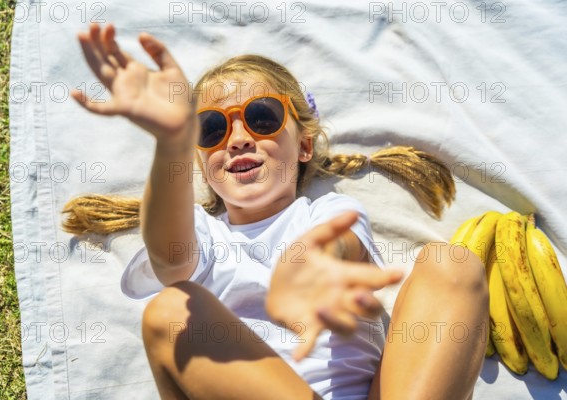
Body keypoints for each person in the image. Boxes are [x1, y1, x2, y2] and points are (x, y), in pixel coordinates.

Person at [63, 23, 489, 400]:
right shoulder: (202, 235)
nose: (238, 138)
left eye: (261, 118)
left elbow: (340, 246)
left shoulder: (328, 211)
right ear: (199, 166)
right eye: (211, 129)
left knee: (450, 263)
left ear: (304, 145)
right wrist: (171, 140)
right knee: (171, 310)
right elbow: (171, 259)